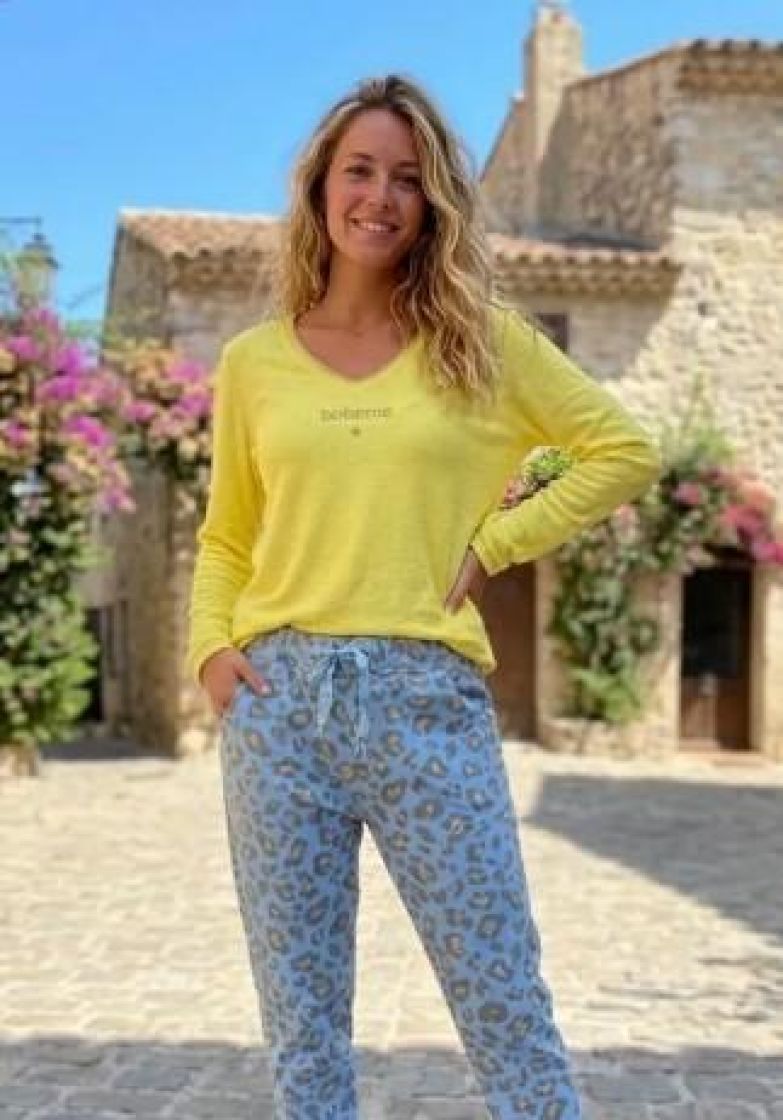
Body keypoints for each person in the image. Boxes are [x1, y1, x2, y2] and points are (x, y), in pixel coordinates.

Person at [186, 73, 662, 1120]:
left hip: (426, 700)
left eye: (408, 177)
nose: (380, 196)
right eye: (359, 170)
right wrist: (213, 656)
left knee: (504, 1003)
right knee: (303, 1028)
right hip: (279, 710)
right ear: (321, 187)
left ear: (435, 199)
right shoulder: (252, 363)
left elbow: (622, 448)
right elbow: (226, 537)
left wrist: (498, 541)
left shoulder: (482, 343)